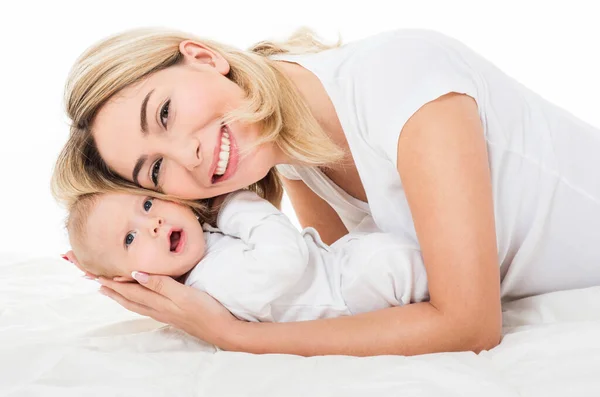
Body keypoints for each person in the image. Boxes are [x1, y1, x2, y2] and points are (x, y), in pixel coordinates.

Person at [52, 26, 600, 356]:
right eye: (153, 175)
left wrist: (237, 338)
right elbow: (355, 303)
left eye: (165, 113)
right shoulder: (292, 158)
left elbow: (468, 323)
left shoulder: (399, 76)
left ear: (203, 56)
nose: (187, 156)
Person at [66, 189, 429, 323]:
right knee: (394, 258)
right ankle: (469, 286)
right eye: (130, 238)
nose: (154, 223)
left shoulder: (204, 248)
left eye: (146, 204)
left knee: (395, 224)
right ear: (130, 278)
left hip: (340, 264)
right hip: (350, 292)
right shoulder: (211, 285)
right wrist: (235, 204)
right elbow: (285, 259)